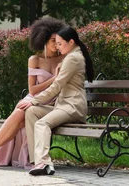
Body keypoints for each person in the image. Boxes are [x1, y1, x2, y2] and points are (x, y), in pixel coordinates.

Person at [0, 17, 67, 170]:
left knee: (19, 117)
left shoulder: (65, 58)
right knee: (20, 114)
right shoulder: (34, 59)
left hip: (50, 103)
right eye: (53, 40)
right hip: (33, 99)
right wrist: (54, 78)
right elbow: (32, 90)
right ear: (43, 39)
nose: (57, 43)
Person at [20, 26, 95, 176]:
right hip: (63, 106)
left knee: (41, 123)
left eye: (60, 43)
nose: (58, 47)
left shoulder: (73, 58)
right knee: (31, 112)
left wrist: (35, 100)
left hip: (73, 106)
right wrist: (34, 104)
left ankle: (45, 163)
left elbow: (57, 86)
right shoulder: (72, 56)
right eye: (56, 43)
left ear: (71, 42)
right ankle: (37, 161)